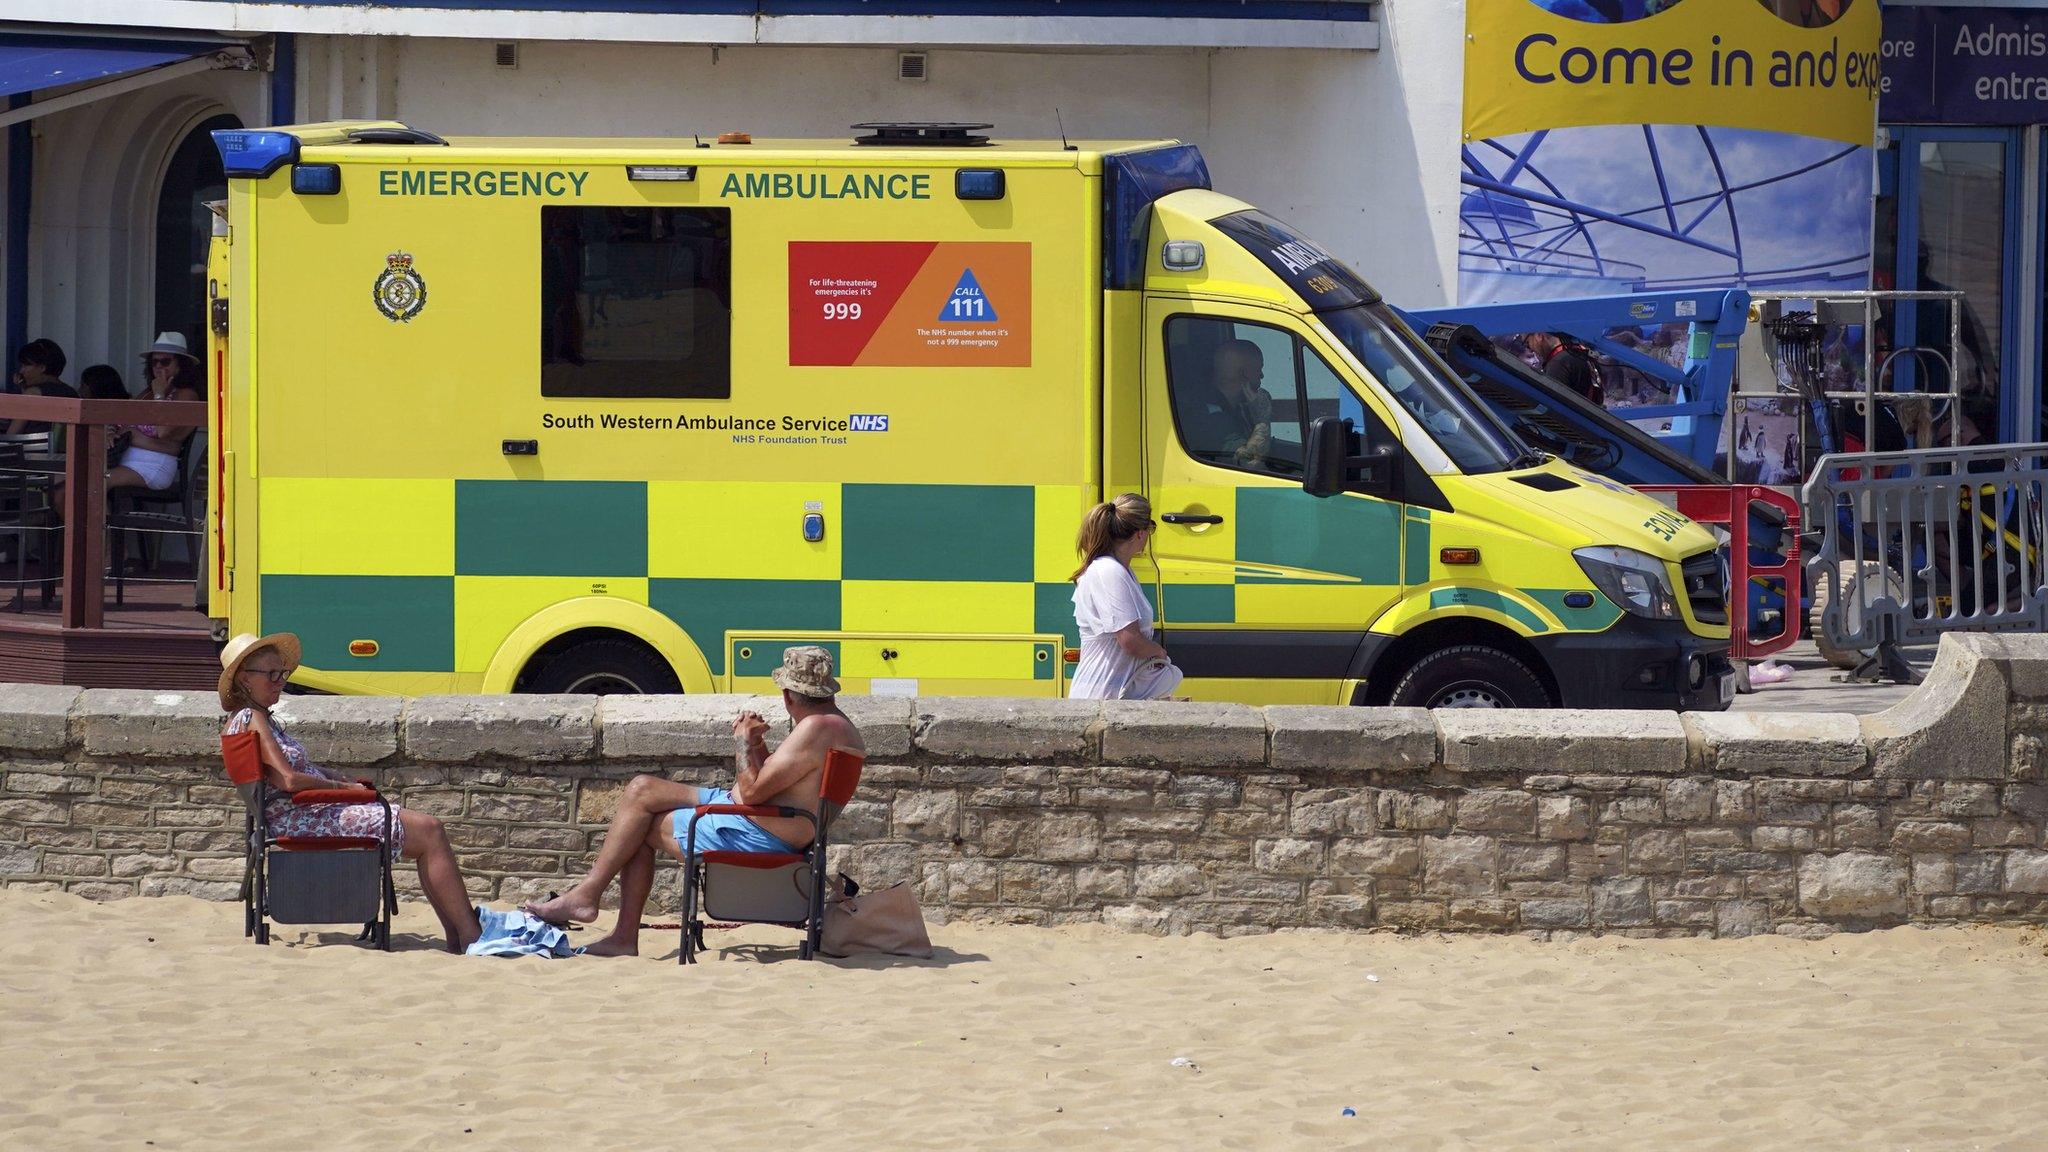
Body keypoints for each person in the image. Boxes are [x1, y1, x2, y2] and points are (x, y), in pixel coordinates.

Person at [522, 645, 865, 956]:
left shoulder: (814, 728)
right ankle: (593, 903)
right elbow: (778, 784)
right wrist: (760, 747)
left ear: (789, 695)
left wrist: (743, 743)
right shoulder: (837, 726)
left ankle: (611, 923)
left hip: (755, 830)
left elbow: (753, 792)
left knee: (639, 827)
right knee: (642, 788)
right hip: (756, 815)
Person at [219, 632, 481, 953]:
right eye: (271, 674)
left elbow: (290, 772)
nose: (280, 682)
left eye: (282, 674)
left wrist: (337, 778)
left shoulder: (248, 720)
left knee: (427, 831)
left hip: (300, 815)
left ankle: (460, 935)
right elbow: (288, 780)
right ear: (245, 679)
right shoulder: (253, 718)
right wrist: (341, 788)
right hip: (303, 820)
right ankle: (468, 934)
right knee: (430, 830)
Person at [1069, 493, 1182, 701]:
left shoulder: (1119, 570)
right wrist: (1158, 652)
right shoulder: (1110, 571)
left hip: (1111, 693)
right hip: (1103, 697)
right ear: (1140, 534)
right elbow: (1129, 640)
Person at [111, 332, 201, 493]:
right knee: (69, 482)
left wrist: (160, 395)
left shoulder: (186, 395)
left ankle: (101, 519)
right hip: (123, 461)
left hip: (152, 466)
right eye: (154, 362)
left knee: (95, 482)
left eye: (165, 361)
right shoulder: (147, 393)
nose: (158, 366)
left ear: (181, 365)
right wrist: (111, 433)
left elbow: (163, 431)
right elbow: (123, 422)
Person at [6, 338, 79, 438]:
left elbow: (12, 435)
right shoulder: (72, 393)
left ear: (42, 368)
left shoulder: (33, 394)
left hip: (33, 451)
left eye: (26, 365)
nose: (21, 371)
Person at [1526, 331, 1601, 405]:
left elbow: (1555, 407)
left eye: (1527, 343)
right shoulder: (1580, 354)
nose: (1530, 350)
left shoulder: (1558, 364)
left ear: (1539, 335)